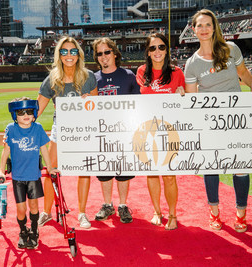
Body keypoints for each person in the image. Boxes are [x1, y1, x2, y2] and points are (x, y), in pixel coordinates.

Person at [184, 9, 252, 233]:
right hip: (210, 121)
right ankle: (214, 212)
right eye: (200, 25)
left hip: (236, 118)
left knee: (240, 166)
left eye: (208, 24)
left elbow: (243, 72)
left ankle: (241, 213)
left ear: (214, 26)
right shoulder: (192, 63)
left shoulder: (231, 49)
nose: (204, 29)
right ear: (194, 30)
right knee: (211, 167)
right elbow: (191, 98)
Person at [36, 36, 98, 229]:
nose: (69, 55)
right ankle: (46, 212)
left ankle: (81, 213)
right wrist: (16, 127)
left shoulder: (89, 77)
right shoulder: (52, 79)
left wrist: (89, 102)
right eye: (64, 52)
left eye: (73, 51)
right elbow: (36, 110)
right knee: (51, 170)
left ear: (79, 54)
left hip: (83, 130)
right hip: (59, 130)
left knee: (84, 171)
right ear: (59, 55)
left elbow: (96, 109)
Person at [136, 32, 185, 230]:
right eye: (152, 48)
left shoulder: (177, 72)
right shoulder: (141, 72)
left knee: (169, 175)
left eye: (161, 47)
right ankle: (157, 211)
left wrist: (183, 95)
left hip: (170, 131)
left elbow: (187, 105)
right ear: (147, 52)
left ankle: (172, 215)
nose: (157, 51)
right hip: (147, 131)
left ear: (167, 50)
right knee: (152, 173)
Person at [0, 97, 58, 249]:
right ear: (14, 115)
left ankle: (34, 230)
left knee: (34, 206)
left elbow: (44, 150)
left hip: (33, 176)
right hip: (18, 177)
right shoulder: (11, 129)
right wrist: (1, 171)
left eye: (29, 111)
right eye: (21, 112)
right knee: (21, 209)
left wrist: (50, 168)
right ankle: (23, 231)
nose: (26, 115)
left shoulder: (37, 128)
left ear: (34, 113)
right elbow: (6, 151)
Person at [92, 37, 140, 223]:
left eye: (107, 52)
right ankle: (107, 204)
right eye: (99, 53)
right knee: (104, 170)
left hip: (124, 132)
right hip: (102, 132)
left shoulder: (128, 75)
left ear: (114, 53)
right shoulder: (92, 78)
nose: (103, 56)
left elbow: (138, 103)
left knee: (123, 170)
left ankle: (122, 205)